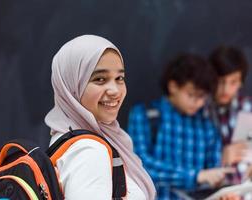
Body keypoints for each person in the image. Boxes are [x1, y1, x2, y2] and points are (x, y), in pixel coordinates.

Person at [44, 35, 156, 200]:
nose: (115, 91)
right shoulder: (88, 151)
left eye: (119, 78)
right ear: (72, 86)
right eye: (100, 79)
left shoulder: (65, 137)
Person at [128, 53, 234, 199]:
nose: (198, 102)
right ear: (173, 86)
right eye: (191, 95)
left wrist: (222, 186)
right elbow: (139, 166)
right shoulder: (145, 115)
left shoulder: (207, 123)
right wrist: (195, 176)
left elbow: (213, 172)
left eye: (202, 97)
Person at [208, 46, 252, 169]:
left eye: (233, 82)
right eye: (221, 81)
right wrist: (221, 157)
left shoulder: (248, 107)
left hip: (244, 183)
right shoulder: (198, 109)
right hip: (215, 181)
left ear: (241, 82)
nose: (226, 90)